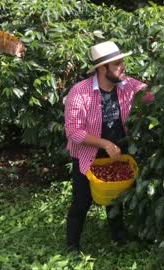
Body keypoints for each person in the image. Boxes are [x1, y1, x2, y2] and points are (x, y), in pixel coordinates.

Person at [64, 41, 154, 252]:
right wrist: (105, 143)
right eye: (117, 64)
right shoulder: (80, 93)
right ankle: (72, 246)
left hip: (116, 154)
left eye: (122, 62)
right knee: (81, 202)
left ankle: (119, 238)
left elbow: (151, 95)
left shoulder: (128, 85)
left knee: (116, 199)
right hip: (89, 154)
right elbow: (74, 132)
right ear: (102, 69)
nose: (123, 67)